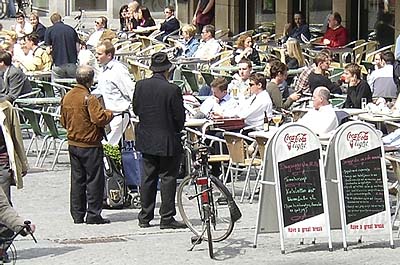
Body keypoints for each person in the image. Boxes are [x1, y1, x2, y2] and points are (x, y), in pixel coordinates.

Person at [133, 52, 186, 229]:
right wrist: (176, 129)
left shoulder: (140, 86)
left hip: (147, 137)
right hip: (167, 138)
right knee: (168, 178)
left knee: (148, 177)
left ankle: (145, 216)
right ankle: (166, 216)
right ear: (167, 70)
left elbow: (136, 109)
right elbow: (179, 117)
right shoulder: (172, 89)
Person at [60, 65, 114, 225]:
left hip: (73, 143)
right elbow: (99, 119)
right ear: (90, 80)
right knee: (94, 180)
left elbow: (63, 120)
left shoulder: (67, 97)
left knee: (77, 180)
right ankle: (93, 214)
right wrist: (109, 113)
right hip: (90, 144)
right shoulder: (89, 98)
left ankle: (77, 214)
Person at [94, 40, 135, 145]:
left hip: (119, 114)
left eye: (99, 54)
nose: (96, 56)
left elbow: (130, 90)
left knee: (108, 146)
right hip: (107, 115)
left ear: (109, 55)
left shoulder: (118, 70)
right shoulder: (103, 70)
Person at [44, 12, 79, 81]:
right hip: (72, 63)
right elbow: (77, 48)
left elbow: (48, 50)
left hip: (58, 63)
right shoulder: (71, 29)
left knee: (57, 87)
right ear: (61, 19)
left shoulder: (49, 30)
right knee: (73, 86)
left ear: (52, 22)